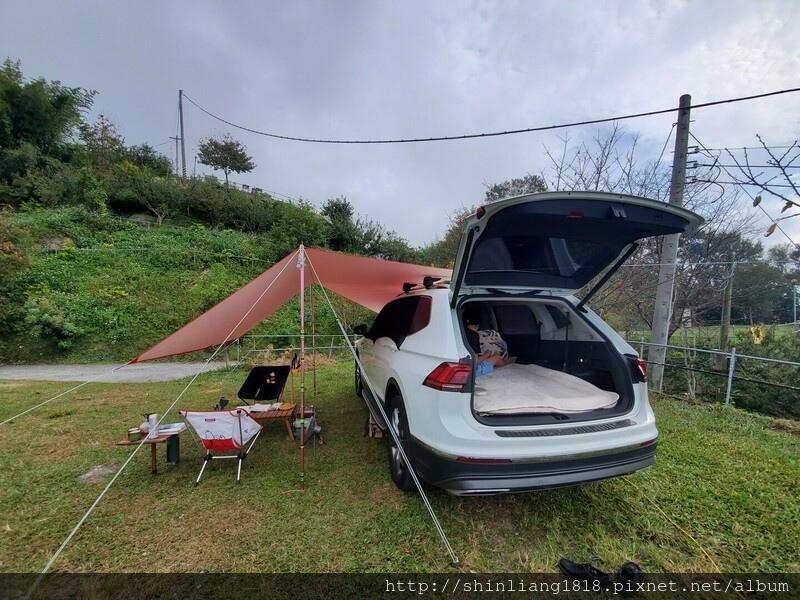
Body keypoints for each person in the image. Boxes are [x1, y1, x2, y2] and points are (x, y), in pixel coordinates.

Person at [463, 312, 516, 376]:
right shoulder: (474, 336)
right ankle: (507, 362)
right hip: (472, 371)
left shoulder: (458, 331)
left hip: (461, 363)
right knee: (497, 357)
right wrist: (487, 354)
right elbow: (475, 361)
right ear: (477, 325)